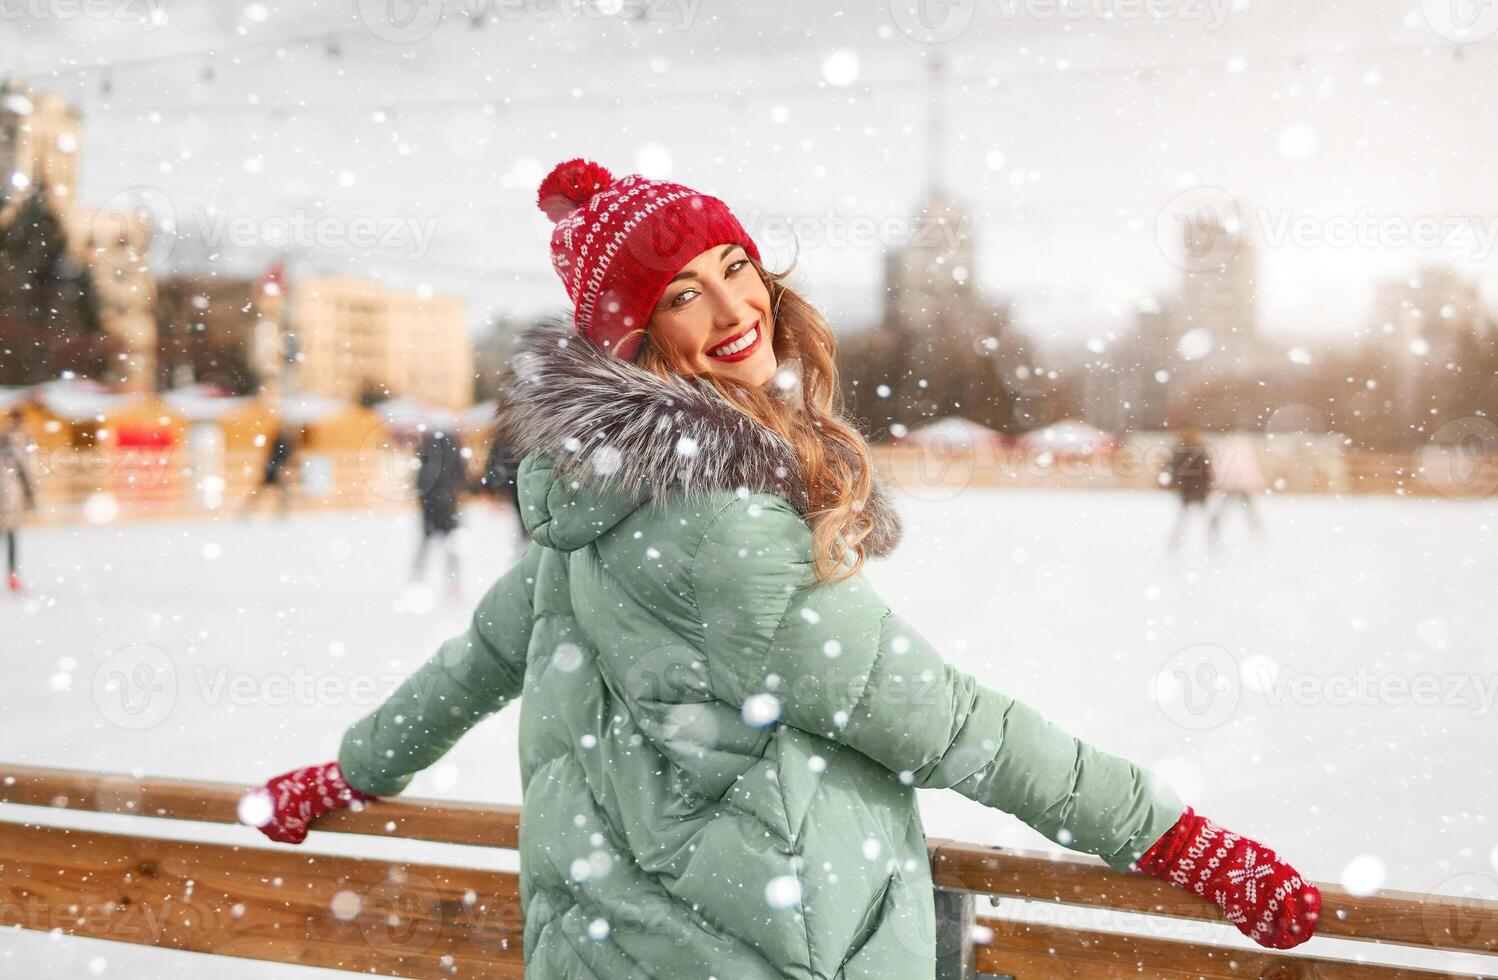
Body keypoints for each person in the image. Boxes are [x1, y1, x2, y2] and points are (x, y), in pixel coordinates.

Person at [243, 158, 1320, 973]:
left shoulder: (595, 507)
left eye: (733, 267)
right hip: (763, 949)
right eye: (680, 294)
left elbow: (469, 664)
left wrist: (347, 773)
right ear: (632, 337)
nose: (731, 308)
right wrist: (1175, 836)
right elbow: (947, 722)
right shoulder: (723, 526)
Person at [411, 426, 466, 594]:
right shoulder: (453, 448)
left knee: (427, 543)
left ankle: (418, 577)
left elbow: (420, 481)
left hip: (434, 505)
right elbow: (461, 477)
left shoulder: (428, 449)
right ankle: (452, 581)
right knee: (450, 546)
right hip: (448, 504)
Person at [0, 408, 37, 594]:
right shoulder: (13, 440)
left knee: (10, 537)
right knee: (10, 537)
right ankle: (12, 576)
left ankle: (12, 576)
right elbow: (23, 471)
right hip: (8, 497)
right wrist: (30, 496)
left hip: (9, 498)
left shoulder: (11, 438)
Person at [1165, 428, 1217, 554]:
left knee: (1184, 519)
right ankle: (1213, 543)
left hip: (1190, 490)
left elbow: (1172, 469)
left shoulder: (1182, 451)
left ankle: (1212, 543)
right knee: (1194, 518)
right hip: (1195, 490)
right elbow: (1207, 471)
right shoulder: (1197, 451)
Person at [477, 422, 527, 547]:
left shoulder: (503, 440)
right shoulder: (514, 439)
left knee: (521, 512)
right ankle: (524, 538)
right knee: (522, 512)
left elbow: (493, 462)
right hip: (517, 482)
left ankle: (524, 538)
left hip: (514, 482)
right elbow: (494, 462)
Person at [1211, 434, 1267, 543]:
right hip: (1238, 486)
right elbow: (1251, 468)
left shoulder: (1229, 451)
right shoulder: (1243, 452)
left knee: (1245, 510)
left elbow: (1221, 468)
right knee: (1248, 510)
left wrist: (1220, 481)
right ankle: (1256, 529)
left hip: (1235, 486)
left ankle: (1216, 525)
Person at [240, 424, 297, 519]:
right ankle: (248, 510)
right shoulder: (280, 442)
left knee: (281, 493)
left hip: (276, 469)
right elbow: (275, 456)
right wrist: (278, 467)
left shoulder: (287, 442)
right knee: (263, 492)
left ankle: (280, 513)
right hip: (274, 470)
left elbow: (285, 457)